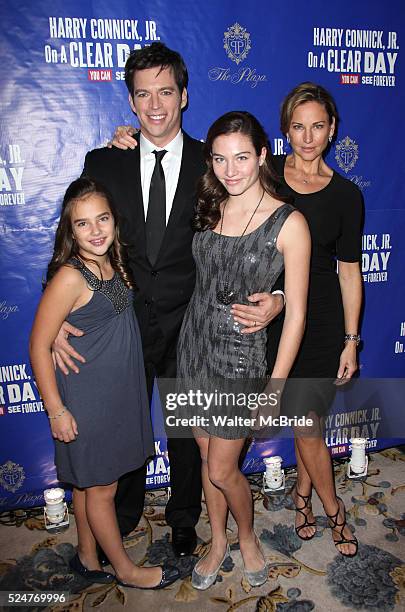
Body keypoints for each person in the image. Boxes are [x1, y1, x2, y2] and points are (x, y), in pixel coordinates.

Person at [53, 43, 285, 558]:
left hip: (193, 324)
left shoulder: (215, 160)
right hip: (121, 325)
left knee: (187, 433)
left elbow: (265, 232)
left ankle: (185, 518)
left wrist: (279, 295)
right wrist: (58, 319)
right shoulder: (104, 162)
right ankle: (124, 514)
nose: (155, 105)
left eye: (165, 91)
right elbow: (72, 239)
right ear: (131, 104)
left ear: (183, 95)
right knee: (124, 424)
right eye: (143, 95)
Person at [177, 111, 310, 589]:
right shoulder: (209, 204)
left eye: (241, 157)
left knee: (221, 466)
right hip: (193, 346)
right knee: (205, 453)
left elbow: (295, 312)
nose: (230, 170)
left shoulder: (288, 222)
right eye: (219, 159)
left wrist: (274, 389)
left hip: (240, 355)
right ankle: (217, 541)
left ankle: (247, 536)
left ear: (261, 156)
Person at [29, 177, 179, 589]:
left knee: (86, 482)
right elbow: (38, 347)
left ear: (115, 220)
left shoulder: (108, 262)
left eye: (103, 219)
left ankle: (87, 555)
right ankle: (126, 570)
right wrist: (56, 410)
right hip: (87, 399)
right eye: (82, 224)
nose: (95, 231)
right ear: (69, 230)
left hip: (113, 394)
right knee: (101, 490)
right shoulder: (72, 276)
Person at [267, 82, 363, 557]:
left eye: (317, 126)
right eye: (298, 126)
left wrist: (351, 339)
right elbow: (213, 160)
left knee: (309, 421)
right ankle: (329, 507)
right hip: (277, 315)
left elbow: (349, 271)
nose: (307, 137)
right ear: (285, 129)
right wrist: (133, 137)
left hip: (324, 320)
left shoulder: (347, 195)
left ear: (332, 130)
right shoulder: (265, 176)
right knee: (308, 423)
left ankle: (308, 499)